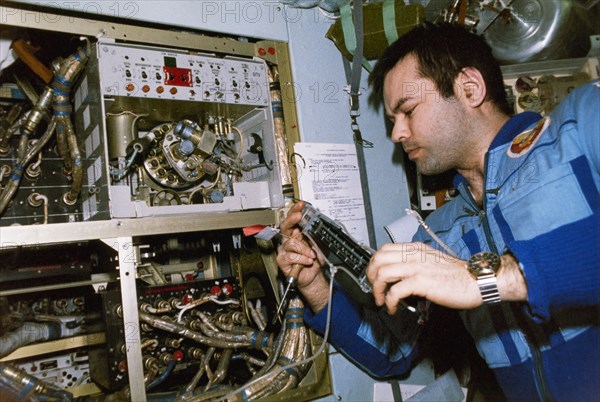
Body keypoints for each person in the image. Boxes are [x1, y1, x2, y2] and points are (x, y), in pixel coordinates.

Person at [276, 22, 600, 401]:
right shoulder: (438, 233)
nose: (397, 134)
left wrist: (491, 278)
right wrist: (315, 285)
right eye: (392, 121)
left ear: (469, 88)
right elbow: (392, 352)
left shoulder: (579, 127)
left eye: (408, 110)